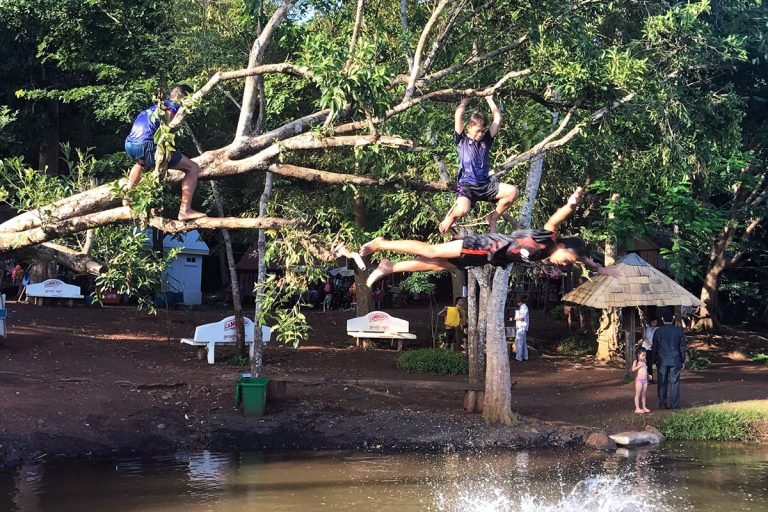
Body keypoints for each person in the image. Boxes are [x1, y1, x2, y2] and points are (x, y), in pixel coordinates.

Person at [360, 187, 622, 287]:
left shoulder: (560, 253)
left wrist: (601, 269)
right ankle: (382, 243)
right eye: (567, 259)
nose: (564, 264)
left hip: (483, 258)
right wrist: (571, 205)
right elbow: (555, 220)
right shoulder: (548, 240)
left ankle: (390, 267)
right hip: (484, 246)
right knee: (432, 251)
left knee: (435, 265)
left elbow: (583, 259)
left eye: (568, 264)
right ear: (563, 245)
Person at [438, 96, 520, 234]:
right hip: (467, 186)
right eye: (478, 131)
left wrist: (489, 98)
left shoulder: (486, 140)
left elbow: (498, 119)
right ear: (469, 127)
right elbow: (458, 115)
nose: (481, 134)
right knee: (463, 209)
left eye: (483, 131)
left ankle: (493, 218)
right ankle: (451, 217)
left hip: (485, 185)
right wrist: (465, 100)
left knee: (513, 192)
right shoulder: (461, 140)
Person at [124, 85, 206, 221]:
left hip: (130, 144)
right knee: (193, 168)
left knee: (141, 163)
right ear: (183, 98)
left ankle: (127, 197)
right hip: (147, 145)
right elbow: (168, 125)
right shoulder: (173, 106)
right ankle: (185, 210)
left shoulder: (154, 107)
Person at [653, 311, 688, 409]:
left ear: (662, 319)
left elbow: (655, 348)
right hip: (675, 359)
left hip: (662, 360)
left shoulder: (658, 331)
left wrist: (654, 360)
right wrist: (682, 360)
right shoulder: (678, 331)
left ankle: (662, 404)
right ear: (673, 319)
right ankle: (674, 404)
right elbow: (682, 347)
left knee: (662, 382)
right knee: (675, 382)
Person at [631, 347, 651, 414]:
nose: (644, 357)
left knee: (644, 394)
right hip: (639, 380)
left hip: (645, 380)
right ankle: (637, 408)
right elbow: (633, 369)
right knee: (638, 394)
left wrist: (648, 375)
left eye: (645, 355)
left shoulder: (645, 361)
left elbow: (645, 370)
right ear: (638, 355)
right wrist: (639, 366)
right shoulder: (636, 361)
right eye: (643, 355)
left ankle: (644, 407)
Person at [513, 296, 529, 361]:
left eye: (518, 302)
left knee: (519, 342)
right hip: (522, 326)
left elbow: (522, 318)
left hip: (521, 326)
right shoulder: (522, 307)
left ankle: (518, 357)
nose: (517, 304)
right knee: (523, 342)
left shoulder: (524, 308)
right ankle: (525, 356)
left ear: (520, 302)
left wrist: (514, 318)